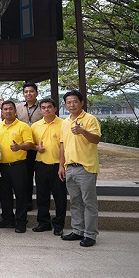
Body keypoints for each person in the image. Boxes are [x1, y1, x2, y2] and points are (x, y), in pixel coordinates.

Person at [59, 90, 101, 248]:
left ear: (82, 103)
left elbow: (96, 139)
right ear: (65, 105)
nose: (72, 105)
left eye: (75, 101)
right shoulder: (65, 122)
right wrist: (61, 165)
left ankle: (90, 234)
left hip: (86, 167)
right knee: (75, 202)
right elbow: (62, 145)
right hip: (69, 167)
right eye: (68, 102)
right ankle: (78, 230)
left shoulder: (90, 119)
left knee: (89, 202)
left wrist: (83, 131)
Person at [0, 100, 35, 233]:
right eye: (5, 109)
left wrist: (20, 147)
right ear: (2, 112)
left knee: (21, 194)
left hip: (19, 166)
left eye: (10, 109)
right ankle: (8, 219)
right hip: (2, 166)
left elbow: (30, 144)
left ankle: (21, 222)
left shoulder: (23, 126)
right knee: (4, 195)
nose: (8, 111)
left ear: (15, 111)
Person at [31, 97, 66, 235]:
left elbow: (66, 146)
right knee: (42, 196)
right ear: (40, 110)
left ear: (55, 108)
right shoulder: (35, 126)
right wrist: (36, 148)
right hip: (40, 165)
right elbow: (31, 144)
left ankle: (59, 225)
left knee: (60, 197)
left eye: (49, 107)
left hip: (58, 166)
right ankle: (43, 223)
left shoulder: (64, 124)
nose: (46, 110)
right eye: (43, 107)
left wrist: (62, 165)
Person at [16, 82, 43, 211]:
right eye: (26, 92)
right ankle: (27, 202)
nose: (28, 94)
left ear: (36, 93)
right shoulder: (18, 107)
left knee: (40, 176)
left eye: (31, 91)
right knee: (25, 176)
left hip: (39, 146)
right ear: (23, 94)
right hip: (25, 146)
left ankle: (42, 203)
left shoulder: (43, 107)